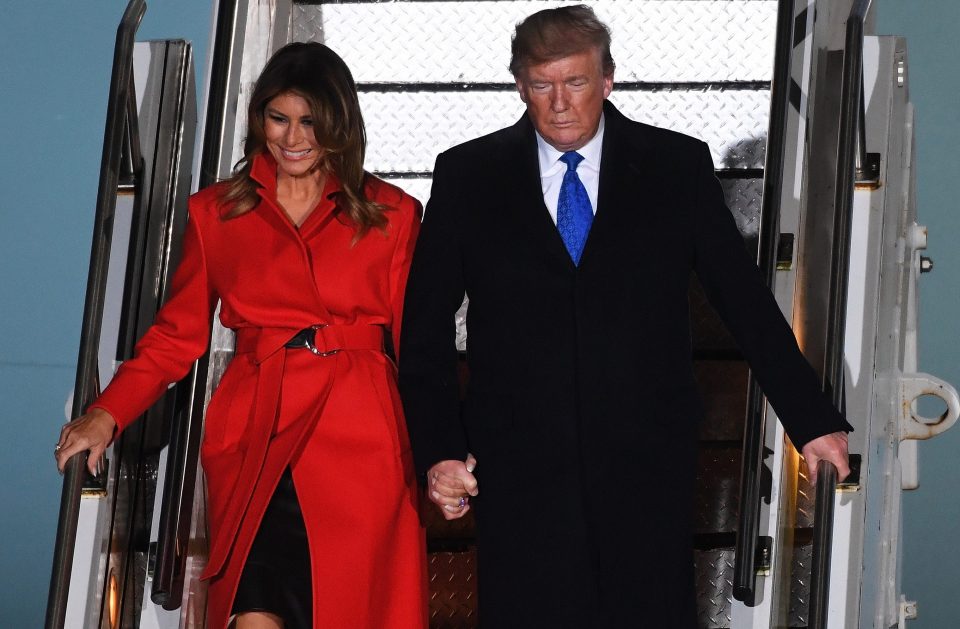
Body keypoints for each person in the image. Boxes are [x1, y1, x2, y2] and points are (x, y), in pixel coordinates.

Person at [398, 5, 852, 628]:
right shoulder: (467, 175)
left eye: (576, 82)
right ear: (519, 86)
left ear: (608, 80)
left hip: (647, 463)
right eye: (542, 84)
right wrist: (441, 451)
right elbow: (422, 332)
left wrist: (811, 419)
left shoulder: (676, 167)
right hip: (517, 468)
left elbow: (744, 302)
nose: (559, 103)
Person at [54, 42, 427, 629]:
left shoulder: (393, 213)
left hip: (360, 444)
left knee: (348, 606)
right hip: (256, 435)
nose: (293, 137)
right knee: (254, 612)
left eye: (311, 121)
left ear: (341, 124)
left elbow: (417, 347)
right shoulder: (217, 213)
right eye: (279, 118)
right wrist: (107, 413)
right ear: (259, 119)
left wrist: (442, 450)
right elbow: (175, 337)